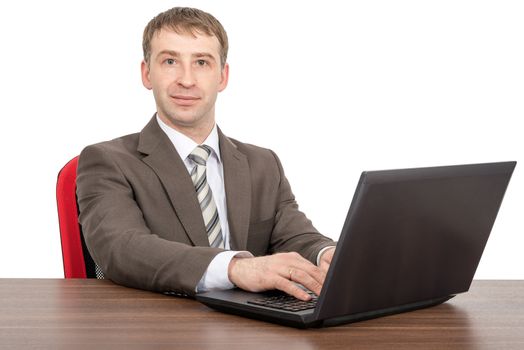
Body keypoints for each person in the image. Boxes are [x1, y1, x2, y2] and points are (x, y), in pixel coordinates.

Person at [76, 7, 336, 301]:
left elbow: (295, 236)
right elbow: (121, 248)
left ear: (222, 76)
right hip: (161, 330)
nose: (186, 80)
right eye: (170, 61)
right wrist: (235, 269)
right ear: (147, 73)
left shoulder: (263, 164)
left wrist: (328, 254)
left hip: (254, 328)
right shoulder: (107, 161)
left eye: (201, 62)